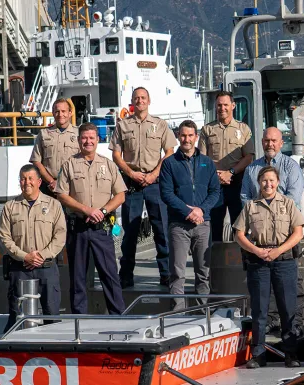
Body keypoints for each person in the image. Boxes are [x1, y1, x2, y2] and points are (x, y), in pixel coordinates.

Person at [234, 166, 304, 369]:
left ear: (278, 182)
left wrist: (278, 250)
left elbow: (298, 233)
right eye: (264, 180)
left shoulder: (289, 204)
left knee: (287, 308)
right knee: (259, 309)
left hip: (284, 261)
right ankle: (258, 354)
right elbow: (238, 235)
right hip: (259, 261)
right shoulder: (250, 206)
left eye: (272, 180)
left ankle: (290, 354)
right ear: (259, 182)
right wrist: (256, 251)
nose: (268, 184)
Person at [55, 123, 128, 314]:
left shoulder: (108, 165)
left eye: (91, 138)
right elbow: (61, 195)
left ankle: (118, 316)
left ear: (98, 140)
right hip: (78, 228)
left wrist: (103, 211)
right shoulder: (69, 164)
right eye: (84, 138)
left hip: (101, 229)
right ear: (79, 140)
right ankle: (80, 319)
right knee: (78, 277)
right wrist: (86, 210)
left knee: (110, 276)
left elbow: (120, 195)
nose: (88, 142)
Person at [110, 87, 175, 288]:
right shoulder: (123, 126)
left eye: (143, 98)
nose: (140, 101)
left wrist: (155, 173)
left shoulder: (160, 124)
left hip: (155, 183)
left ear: (149, 101)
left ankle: (166, 273)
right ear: (132, 101)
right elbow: (116, 155)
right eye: (136, 98)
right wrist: (131, 174)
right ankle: (126, 275)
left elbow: (170, 151)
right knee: (130, 231)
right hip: (132, 183)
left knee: (161, 229)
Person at [159, 121, 221, 310]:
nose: (186, 139)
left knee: (203, 272)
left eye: (190, 135)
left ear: (196, 137)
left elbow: (215, 191)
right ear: (178, 136)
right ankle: (177, 314)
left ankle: (203, 313)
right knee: (177, 273)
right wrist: (188, 212)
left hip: (203, 223)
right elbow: (166, 193)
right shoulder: (169, 163)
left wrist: (200, 210)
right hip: (179, 225)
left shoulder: (207, 162)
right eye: (183, 135)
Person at [0, 164, 66, 330]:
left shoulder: (54, 205)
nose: (26, 182)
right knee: (17, 317)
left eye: (30, 178)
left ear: (39, 181)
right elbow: (4, 237)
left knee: (51, 316)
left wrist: (41, 255)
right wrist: (24, 256)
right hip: (20, 269)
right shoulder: (10, 207)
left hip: (47, 269)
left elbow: (60, 235)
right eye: (23, 179)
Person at [199, 91, 255, 242]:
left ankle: (240, 261)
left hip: (237, 183)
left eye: (225, 105)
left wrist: (230, 172)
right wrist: (215, 174)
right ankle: (215, 263)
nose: (222, 108)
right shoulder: (207, 130)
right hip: (215, 185)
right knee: (214, 226)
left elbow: (248, 157)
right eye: (219, 105)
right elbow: (202, 160)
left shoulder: (243, 129)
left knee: (240, 226)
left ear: (233, 106)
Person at [240, 126, 304, 210]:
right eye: (267, 140)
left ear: (281, 143)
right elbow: (245, 197)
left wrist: (272, 214)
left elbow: (293, 198)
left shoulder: (291, 167)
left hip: (284, 218)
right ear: (262, 142)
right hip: (258, 219)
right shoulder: (251, 169)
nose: (270, 144)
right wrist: (258, 214)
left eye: (274, 141)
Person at [30, 98, 80, 197]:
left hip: (71, 186)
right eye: (57, 111)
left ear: (70, 113)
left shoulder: (78, 133)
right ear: (53, 113)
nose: (60, 114)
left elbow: (84, 159)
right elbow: (36, 161)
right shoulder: (44, 134)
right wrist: (51, 181)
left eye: (63, 111)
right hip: (48, 187)